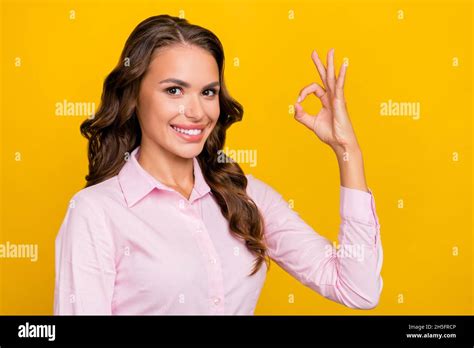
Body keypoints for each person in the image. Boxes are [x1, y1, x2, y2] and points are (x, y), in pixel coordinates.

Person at [53, 14, 383, 315]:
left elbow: (357, 288)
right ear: (134, 95)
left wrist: (346, 150)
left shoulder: (247, 196)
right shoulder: (96, 213)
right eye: (174, 90)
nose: (197, 112)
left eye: (208, 92)